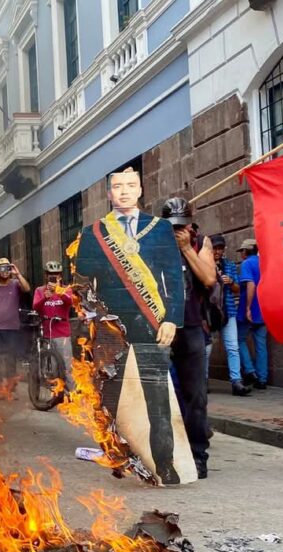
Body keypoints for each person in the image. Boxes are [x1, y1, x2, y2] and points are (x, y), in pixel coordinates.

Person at [74, 168, 195, 485]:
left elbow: (174, 279)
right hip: (111, 327)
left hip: (151, 323)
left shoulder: (159, 230)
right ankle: (114, 454)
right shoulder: (94, 233)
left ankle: (164, 464)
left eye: (130, 186)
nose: (124, 191)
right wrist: (94, 318)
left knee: (157, 400)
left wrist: (172, 318)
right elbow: (83, 282)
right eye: (117, 186)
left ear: (140, 190)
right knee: (109, 398)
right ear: (109, 194)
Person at [161, 198, 217, 479]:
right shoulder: (155, 245)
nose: (177, 232)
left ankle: (198, 455)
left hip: (192, 326)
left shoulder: (200, 242)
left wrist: (185, 248)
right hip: (160, 328)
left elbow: (208, 279)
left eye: (181, 227)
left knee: (196, 395)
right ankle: (164, 453)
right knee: (159, 396)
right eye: (172, 228)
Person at [210, 234, 251, 396]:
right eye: (215, 248)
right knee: (206, 349)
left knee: (233, 346)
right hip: (210, 312)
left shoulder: (229, 265)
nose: (218, 251)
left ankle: (236, 381)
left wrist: (230, 282)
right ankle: (203, 380)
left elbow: (238, 290)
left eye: (220, 248)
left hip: (228, 310)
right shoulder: (204, 264)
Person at [32, 261, 76, 393]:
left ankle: (72, 394)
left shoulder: (66, 289)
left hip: (62, 334)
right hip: (47, 333)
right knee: (51, 367)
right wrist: (44, 298)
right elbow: (35, 307)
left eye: (56, 274)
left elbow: (70, 302)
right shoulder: (40, 290)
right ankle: (55, 394)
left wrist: (59, 291)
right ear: (46, 275)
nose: (54, 276)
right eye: (51, 274)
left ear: (60, 276)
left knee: (67, 366)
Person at [237, 239, 269, 389]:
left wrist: (248, 307)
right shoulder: (265, 263)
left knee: (239, 340)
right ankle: (262, 379)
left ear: (245, 251)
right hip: (264, 310)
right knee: (261, 345)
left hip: (249, 311)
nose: (241, 254)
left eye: (242, 251)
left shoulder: (247, 264)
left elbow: (250, 284)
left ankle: (250, 371)